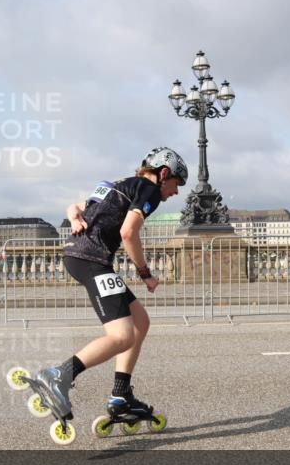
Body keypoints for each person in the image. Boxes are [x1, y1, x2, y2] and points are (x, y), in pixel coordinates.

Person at [33, 147, 188, 426]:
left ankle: (121, 394)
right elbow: (128, 232)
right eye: (177, 183)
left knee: (140, 322)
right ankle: (59, 375)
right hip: (91, 259)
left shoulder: (119, 185)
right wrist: (145, 273)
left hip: (79, 255)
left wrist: (73, 218)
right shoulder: (148, 190)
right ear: (164, 174)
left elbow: (75, 206)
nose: (176, 192)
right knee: (121, 336)